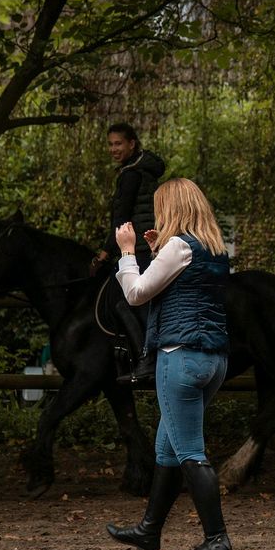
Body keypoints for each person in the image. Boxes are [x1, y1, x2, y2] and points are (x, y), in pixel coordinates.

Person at [105, 178, 233, 550]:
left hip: (180, 358)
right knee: (168, 448)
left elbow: (136, 293)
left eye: (162, 206)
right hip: (214, 359)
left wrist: (127, 253)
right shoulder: (214, 248)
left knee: (190, 452)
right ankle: (149, 531)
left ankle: (217, 538)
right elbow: (183, 287)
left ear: (172, 208)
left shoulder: (178, 246)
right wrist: (155, 251)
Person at [89, 122, 166, 384]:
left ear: (132, 144)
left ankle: (147, 358)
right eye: (110, 144)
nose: (114, 149)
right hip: (144, 243)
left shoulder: (131, 174)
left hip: (139, 246)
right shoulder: (140, 169)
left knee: (125, 302)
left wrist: (105, 252)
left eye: (118, 143)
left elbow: (122, 218)